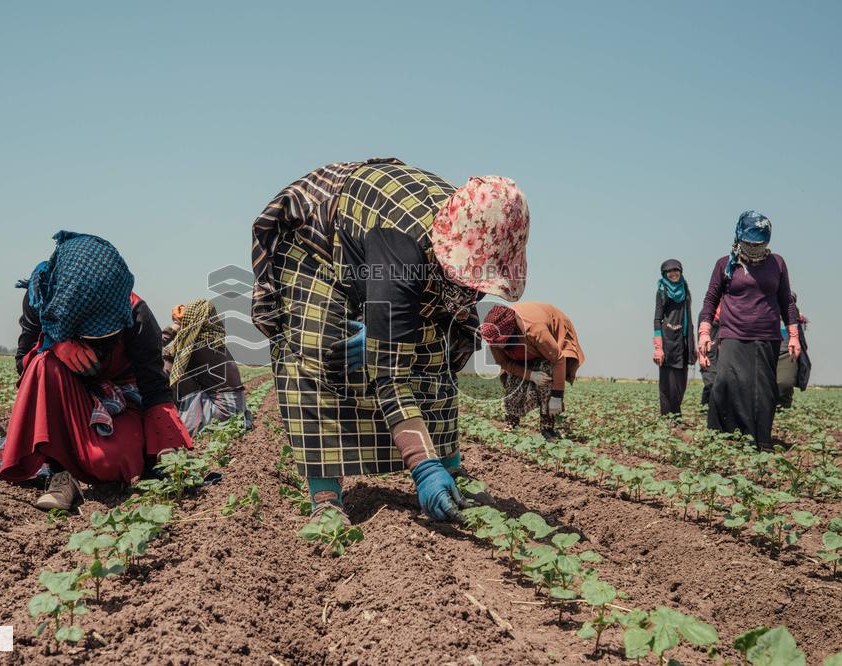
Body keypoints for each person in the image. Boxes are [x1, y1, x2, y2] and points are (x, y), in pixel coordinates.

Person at [251, 159, 529, 523]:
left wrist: (390, 326)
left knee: (434, 354)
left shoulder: (473, 243)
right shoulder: (402, 247)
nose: (475, 290)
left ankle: (452, 470)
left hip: (383, 257)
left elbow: (434, 342)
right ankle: (326, 497)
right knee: (322, 350)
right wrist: (421, 467)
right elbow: (391, 377)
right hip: (317, 246)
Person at [0, 231, 192, 510]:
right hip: (67, 399)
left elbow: (155, 391)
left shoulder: (137, 315)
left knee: (108, 463)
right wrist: (55, 344)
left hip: (120, 397)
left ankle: (107, 456)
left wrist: (167, 451)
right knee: (42, 363)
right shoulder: (44, 300)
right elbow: (23, 364)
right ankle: (60, 474)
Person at [698, 211, 799, 447]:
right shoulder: (725, 265)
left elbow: (786, 301)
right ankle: (722, 437)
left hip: (767, 336)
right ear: (739, 238)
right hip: (732, 333)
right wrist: (704, 332)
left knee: (762, 391)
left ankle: (759, 441)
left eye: (759, 243)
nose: (754, 247)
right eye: (750, 243)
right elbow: (710, 299)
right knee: (725, 383)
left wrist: (793, 336)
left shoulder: (778, 263)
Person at [479, 302, 584, 439]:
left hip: (550, 335)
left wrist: (557, 396)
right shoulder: (492, 334)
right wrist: (530, 375)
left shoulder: (535, 330)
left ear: (512, 330)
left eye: (501, 342)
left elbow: (558, 359)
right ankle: (511, 423)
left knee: (546, 375)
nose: (499, 346)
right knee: (512, 380)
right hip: (522, 349)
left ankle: (547, 427)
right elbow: (504, 362)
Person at [162, 299, 252, 436]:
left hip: (223, 414)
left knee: (167, 367)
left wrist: (175, 325)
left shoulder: (196, 346)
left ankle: (172, 422)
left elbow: (153, 348)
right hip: (236, 411)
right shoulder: (214, 341)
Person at [652, 259, 696, 416]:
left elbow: (689, 317)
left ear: (681, 272)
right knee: (667, 383)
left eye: (676, 270)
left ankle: (676, 414)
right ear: (664, 274)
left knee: (680, 382)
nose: (673, 274)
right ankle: (668, 417)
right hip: (668, 341)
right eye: (669, 272)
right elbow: (657, 319)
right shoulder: (662, 291)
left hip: (683, 342)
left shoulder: (685, 289)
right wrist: (658, 347)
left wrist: (692, 344)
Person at [776, 292, 811, 409]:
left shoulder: (795, 313)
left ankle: (784, 406)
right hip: (765, 345)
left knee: (784, 382)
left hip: (786, 348)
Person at [699, 304, 721, 407]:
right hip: (709, 356)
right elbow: (700, 337)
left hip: (721, 356)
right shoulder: (705, 314)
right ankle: (705, 410)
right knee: (710, 384)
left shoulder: (728, 316)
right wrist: (701, 356)